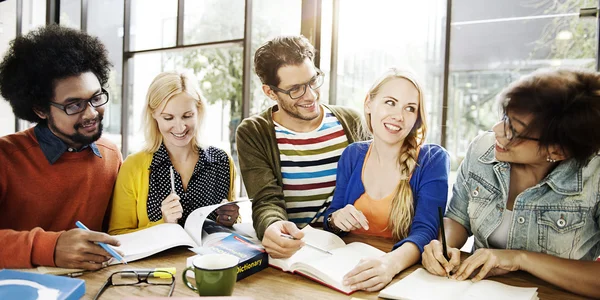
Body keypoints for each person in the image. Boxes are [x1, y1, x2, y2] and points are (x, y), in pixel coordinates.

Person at [421, 69, 600, 299]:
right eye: (504, 118)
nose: (497, 130)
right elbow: (457, 218)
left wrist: (518, 259)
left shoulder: (593, 177)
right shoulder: (482, 150)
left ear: (557, 150)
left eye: (513, 130)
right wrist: (442, 246)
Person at [0, 25, 122, 270]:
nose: (91, 114)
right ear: (40, 109)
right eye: (74, 105)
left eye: (96, 98)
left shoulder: (110, 156)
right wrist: (49, 247)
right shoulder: (5, 158)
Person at [236, 35, 364, 258]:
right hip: (297, 252)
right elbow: (266, 200)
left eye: (313, 81)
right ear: (270, 92)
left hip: (354, 249)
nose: (311, 95)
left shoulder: (351, 122)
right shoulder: (254, 133)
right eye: (295, 89)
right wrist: (271, 226)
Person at [323, 68, 450, 291]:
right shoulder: (352, 155)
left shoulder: (433, 160)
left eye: (409, 108)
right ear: (369, 104)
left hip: (401, 277)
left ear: (417, 119)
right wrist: (336, 219)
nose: (398, 116)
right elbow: (332, 216)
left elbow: (426, 232)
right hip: (346, 271)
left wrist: (388, 265)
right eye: (390, 102)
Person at [109, 71, 238, 235]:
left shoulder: (222, 161)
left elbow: (230, 226)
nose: (180, 127)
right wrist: (164, 223)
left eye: (187, 116)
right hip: (158, 262)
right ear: (154, 115)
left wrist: (229, 219)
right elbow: (118, 234)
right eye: (168, 118)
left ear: (199, 111)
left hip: (208, 260)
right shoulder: (134, 167)